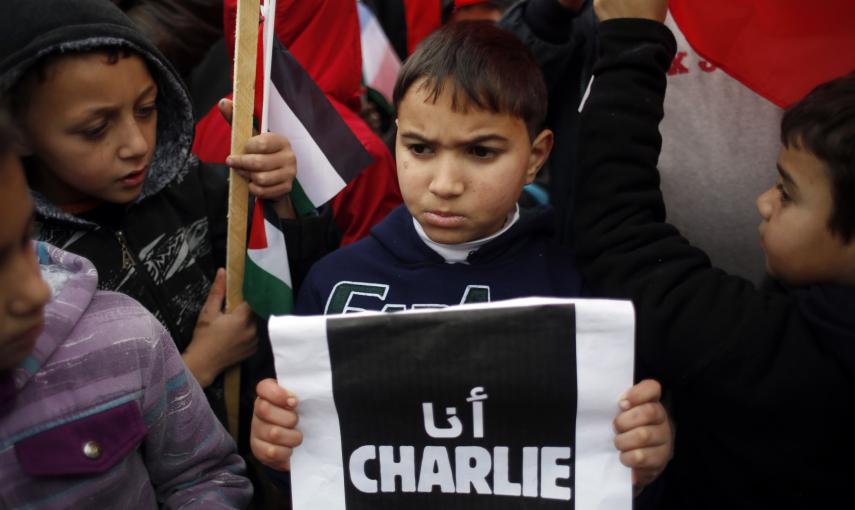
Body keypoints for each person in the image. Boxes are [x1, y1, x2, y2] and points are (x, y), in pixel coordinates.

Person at [252, 21, 673, 495]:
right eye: (420, 148)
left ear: (536, 156)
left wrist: (641, 464)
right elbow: (307, 475)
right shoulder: (334, 284)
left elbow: (609, 470)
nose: (445, 183)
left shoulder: (579, 286)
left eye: (480, 151)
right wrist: (278, 452)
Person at [574, 0, 855, 507]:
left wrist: (630, 38)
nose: (763, 201)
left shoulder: (794, 356)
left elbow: (620, 239)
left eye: (788, 192)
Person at [0, 114, 253, 508]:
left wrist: (288, 207)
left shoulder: (125, 332)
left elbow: (202, 476)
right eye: (95, 127)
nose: (34, 290)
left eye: (23, 243)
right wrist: (200, 363)